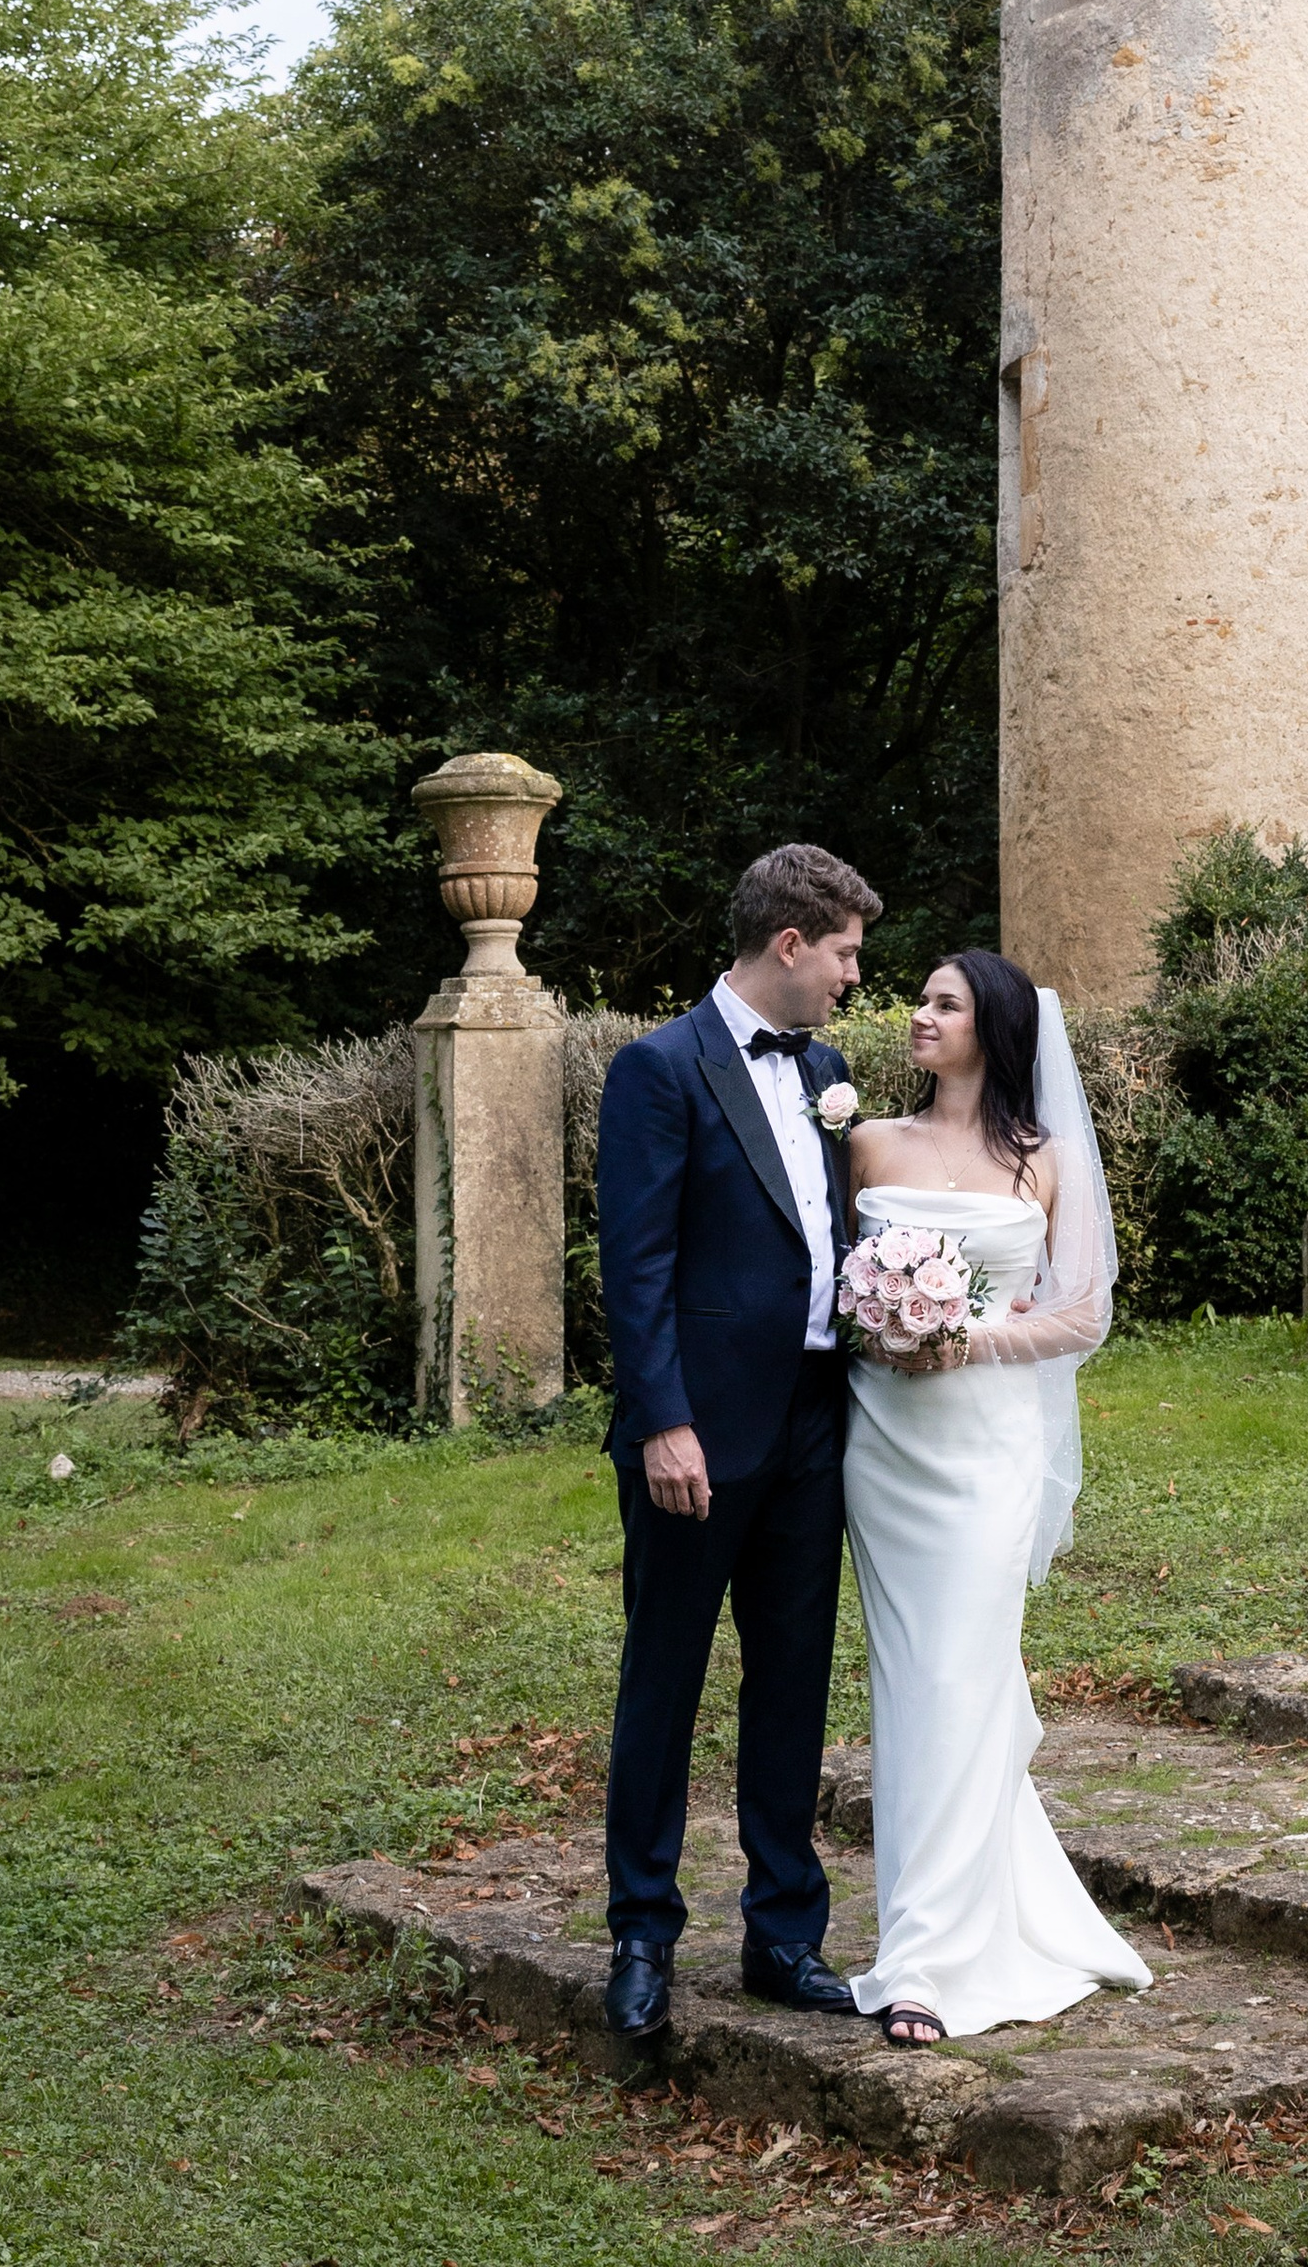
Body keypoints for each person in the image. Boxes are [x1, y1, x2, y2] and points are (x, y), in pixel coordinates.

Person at [592, 841, 879, 2044]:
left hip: (818, 1419)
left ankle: (782, 1934)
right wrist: (665, 1422)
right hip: (698, 1432)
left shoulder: (833, 1072)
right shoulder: (658, 1070)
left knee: (793, 1675)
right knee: (665, 1675)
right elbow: (636, 1266)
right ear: (790, 944)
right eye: (849, 953)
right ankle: (644, 1931)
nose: (858, 978)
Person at [841, 950, 1152, 2046]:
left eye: (943, 1003)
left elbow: (1079, 1317)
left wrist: (960, 1334)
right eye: (919, 1001)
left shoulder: (1045, 1162)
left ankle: (925, 1960)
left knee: (962, 1676)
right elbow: (822, 1283)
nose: (918, 1017)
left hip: (986, 1451)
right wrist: (878, 1322)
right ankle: (938, 1925)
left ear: (996, 1027)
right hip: (884, 1450)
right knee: (912, 1681)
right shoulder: (870, 1142)